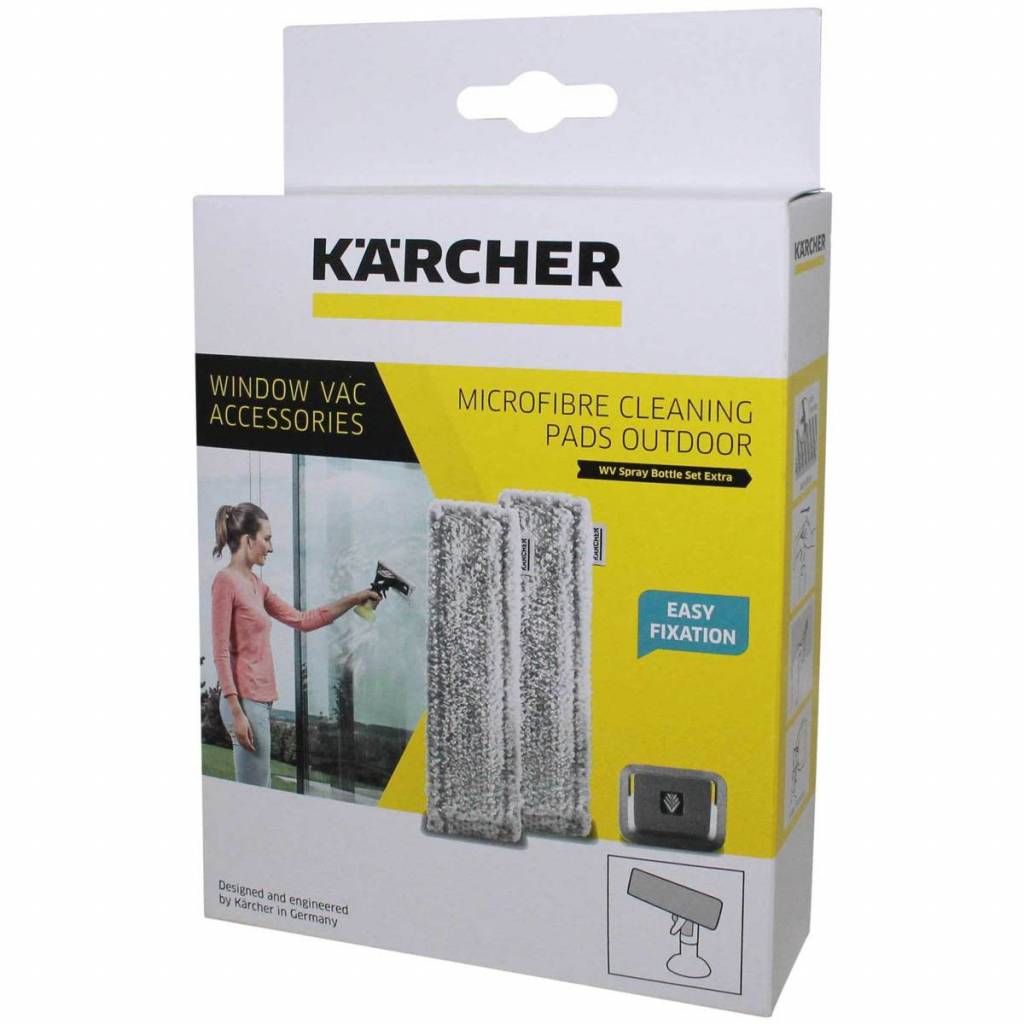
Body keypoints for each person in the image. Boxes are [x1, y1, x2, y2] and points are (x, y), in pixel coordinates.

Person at [210, 501, 380, 787]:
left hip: (260, 701)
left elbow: (303, 620)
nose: (270, 547)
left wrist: (356, 598)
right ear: (248, 540)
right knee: (257, 795)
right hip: (245, 702)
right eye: (266, 539)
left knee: (260, 790)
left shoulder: (257, 585)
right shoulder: (225, 582)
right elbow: (220, 651)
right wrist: (237, 712)